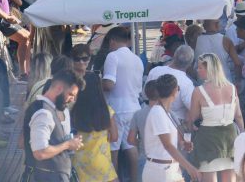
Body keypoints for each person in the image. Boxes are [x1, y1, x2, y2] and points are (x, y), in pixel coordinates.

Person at [188, 53, 243, 181]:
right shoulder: (232, 88)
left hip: (208, 138)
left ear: (209, 69)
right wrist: (241, 137)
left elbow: (193, 117)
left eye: (200, 67)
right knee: (230, 176)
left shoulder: (198, 91)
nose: (198, 70)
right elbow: (239, 116)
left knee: (209, 176)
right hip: (230, 136)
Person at [23, 69, 85, 182]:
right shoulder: (43, 113)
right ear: (59, 89)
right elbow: (40, 152)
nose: (73, 99)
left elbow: (58, 139)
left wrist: (72, 141)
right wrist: (67, 144)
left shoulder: (62, 109)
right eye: (71, 94)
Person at [102, 26, 144, 182]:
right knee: (130, 146)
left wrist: (95, 84)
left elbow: (109, 84)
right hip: (134, 107)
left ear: (112, 40)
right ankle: (134, 179)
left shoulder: (113, 56)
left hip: (117, 108)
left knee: (113, 147)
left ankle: (115, 179)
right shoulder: (137, 59)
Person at [142, 74, 200, 182]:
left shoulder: (164, 112)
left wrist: (182, 144)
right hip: (160, 171)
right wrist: (189, 167)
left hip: (167, 169)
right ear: (175, 91)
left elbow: (167, 143)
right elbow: (167, 145)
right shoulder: (158, 112)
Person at [71, 71, 119, 182]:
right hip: (101, 161)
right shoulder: (106, 111)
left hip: (79, 162)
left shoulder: (74, 110)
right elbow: (115, 137)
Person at [147, 45, 196, 124]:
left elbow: (145, 95)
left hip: (152, 119)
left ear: (174, 56)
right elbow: (192, 107)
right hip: (175, 124)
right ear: (190, 64)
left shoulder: (155, 71)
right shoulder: (186, 83)